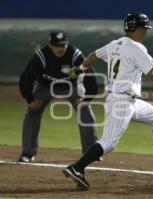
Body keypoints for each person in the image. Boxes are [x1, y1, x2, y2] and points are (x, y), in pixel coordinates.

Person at [62, 13, 153, 190]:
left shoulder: (115, 44)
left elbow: (94, 55)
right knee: (109, 142)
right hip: (121, 101)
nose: (145, 32)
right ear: (138, 29)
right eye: (144, 28)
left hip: (126, 100)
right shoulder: (137, 48)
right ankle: (77, 168)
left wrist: (80, 68)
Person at [18, 31, 98, 162]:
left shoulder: (75, 55)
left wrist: (87, 99)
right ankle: (28, 153)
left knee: (84, 109)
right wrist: (30, 99)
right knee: (32, 112)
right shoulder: (41, 56)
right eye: (56, 45)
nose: (60, 48)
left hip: (71, 86)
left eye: (63, 45)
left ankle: (91, 152)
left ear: (67, 44)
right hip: (45, 86)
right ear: (50, 45)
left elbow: (90, 75)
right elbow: (26, 77)